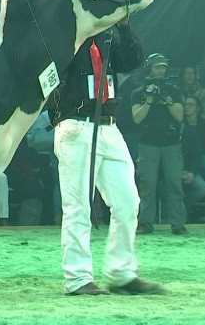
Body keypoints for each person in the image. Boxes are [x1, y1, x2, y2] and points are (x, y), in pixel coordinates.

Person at [49, 17, 164, 296]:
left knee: (128, 201)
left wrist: (124, 27)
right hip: (76, 125)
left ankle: (121, 273)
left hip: (109, 127)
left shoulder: (107, 36)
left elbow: (131, 60)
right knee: (78, 206)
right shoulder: (63, 33)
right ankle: (77, 279)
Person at [131, 53, 187, 235]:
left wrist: (166, 99)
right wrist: (149, 100)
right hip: (148, 143)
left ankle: (177, 223)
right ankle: (145, 222)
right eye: (157, 67)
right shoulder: (139, 93)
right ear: (149, 68)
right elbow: (137, 118)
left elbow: (179, 116)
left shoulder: (174, 91)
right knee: (147, 185)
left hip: (171, 143)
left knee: (174, 184)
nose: (161, 71)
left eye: (163, 67)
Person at [179, 96, 205, 218]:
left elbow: (202, 150)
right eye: (185, 104)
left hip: (197, 160)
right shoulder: (179, 125)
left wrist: (192, 172)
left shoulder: (204, 124)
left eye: (191, 104)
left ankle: (182, 209)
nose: (187, 107)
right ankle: (178, 212)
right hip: (179, 164)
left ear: (197, 108)